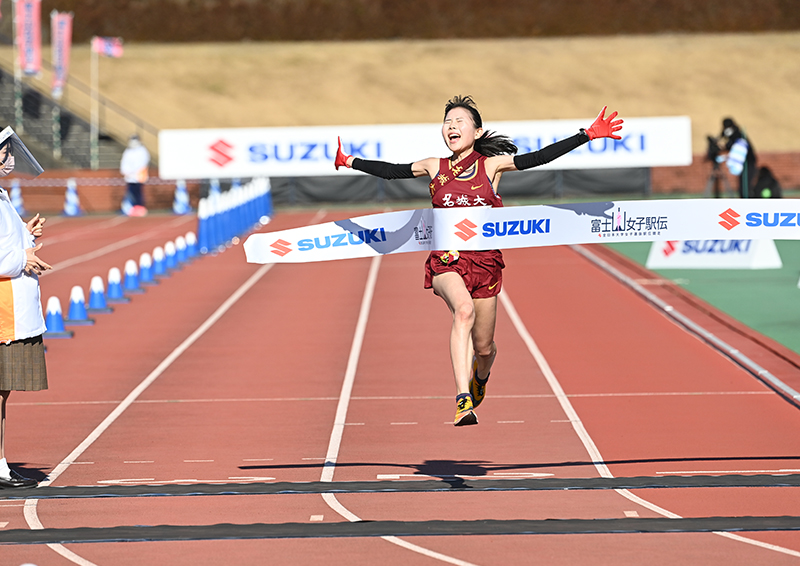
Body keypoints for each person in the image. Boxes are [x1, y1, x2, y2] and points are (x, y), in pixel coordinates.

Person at [335, 95, 622, 426]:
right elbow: (390, 171)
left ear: (478, 132)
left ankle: (480, 377)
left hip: (485, 264)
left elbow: (539, 158)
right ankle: (462, 399)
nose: (452, 126)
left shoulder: (491, 166)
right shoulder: (434, 167)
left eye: (459, 121)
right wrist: (349, 160)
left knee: (484, 349)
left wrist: (586, 135)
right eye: (447, 122)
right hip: (447, 261)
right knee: (463, 311)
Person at [0, 138, 50, 488]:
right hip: (5, 311)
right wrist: (23, 258)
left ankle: (1, 463)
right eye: (5, 153)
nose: (10, 159)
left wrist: (26, 235)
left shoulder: (2, 196)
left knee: (2, 392)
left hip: (13, 308)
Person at [719, 117, 757, 198]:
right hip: (743, 163)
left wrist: (724, 146)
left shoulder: (738, 135)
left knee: (745, 186)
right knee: (742, 186)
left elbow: (734, 146)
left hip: (747, 163)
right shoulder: (733, 134)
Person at [119, 133, 151, 216]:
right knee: (130, 192)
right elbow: (124, 162)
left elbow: (142, 163)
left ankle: (139, 207)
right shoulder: (128, 151)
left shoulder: (142, 151)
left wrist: (132, 171)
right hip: (129, 177)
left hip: (138, 176)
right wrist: (125, 171)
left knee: (138, 192)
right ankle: (130, 207)